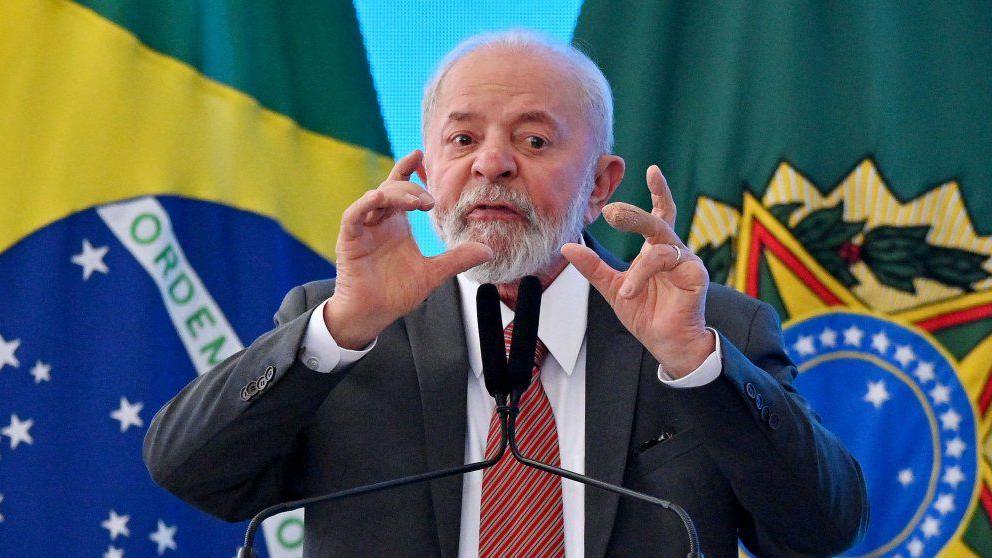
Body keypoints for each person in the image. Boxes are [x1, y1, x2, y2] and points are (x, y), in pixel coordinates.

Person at [143, 30, 868, 557]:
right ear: (425, 171)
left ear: (602, 185)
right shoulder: (338, 329)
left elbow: (819, 528)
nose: (493, 163)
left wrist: (695, 362)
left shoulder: (712, 332)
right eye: (462, 141)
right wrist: (342, 328)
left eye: (535, 141)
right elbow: (190, 473)